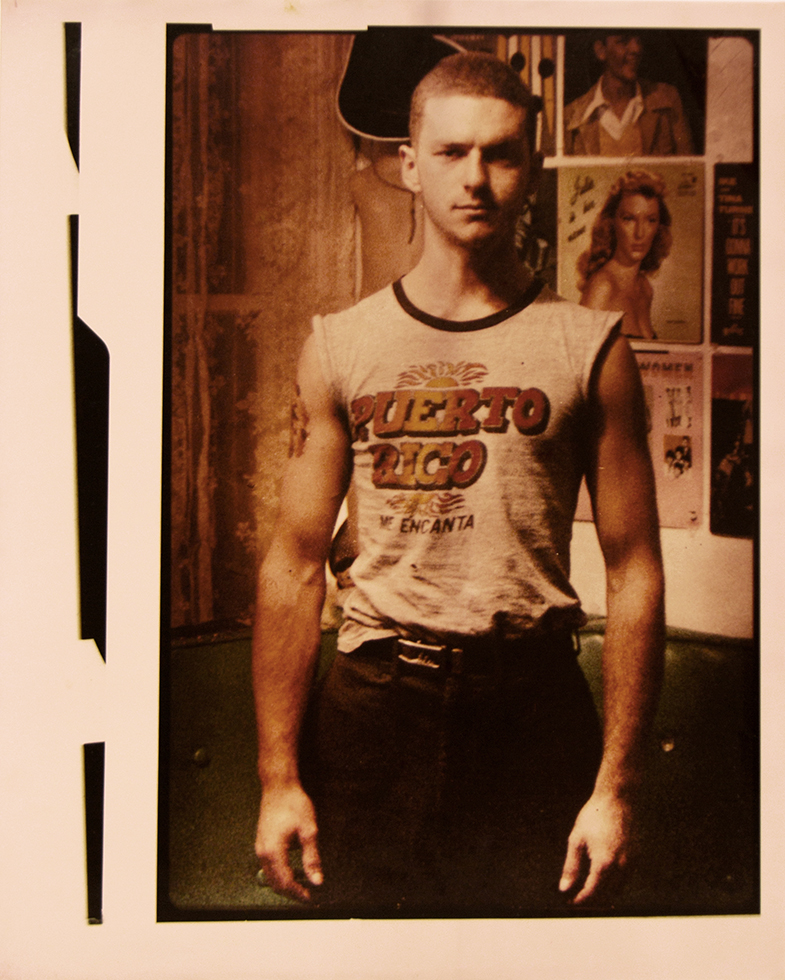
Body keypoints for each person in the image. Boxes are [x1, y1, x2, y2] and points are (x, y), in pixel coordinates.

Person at [252, 51, 665, 915]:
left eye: (501, 153)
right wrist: (277, 779)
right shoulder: (339, 344)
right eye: (449, 153)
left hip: (531, 708)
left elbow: (633, 572)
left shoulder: (589, 345)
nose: (474, 178)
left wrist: (615, 787)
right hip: (372, 708)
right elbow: (291, 567)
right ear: (408, 164)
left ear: (531, 167)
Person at [577, 169, 672, 340]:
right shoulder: (602, 288)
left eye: (650, 220)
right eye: (629, 219)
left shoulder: (644, 288)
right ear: (611, 223)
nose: (640, 233)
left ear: (659, 227)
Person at [564, 33, 694, 157]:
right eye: (623, 41)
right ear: (601, 51)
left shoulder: (667, 100)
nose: (636, 49)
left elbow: (690, 172)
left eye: (638, 40)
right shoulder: (571, 117)